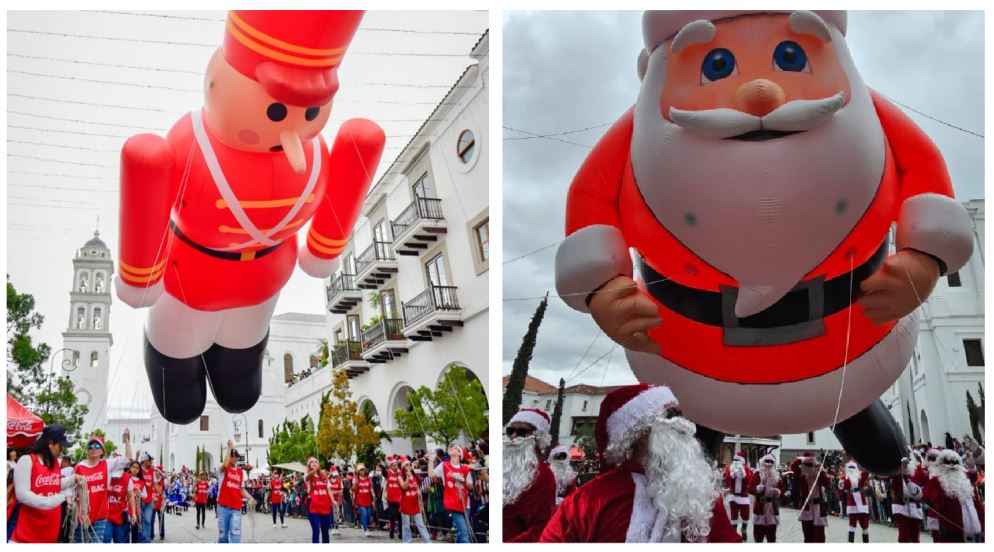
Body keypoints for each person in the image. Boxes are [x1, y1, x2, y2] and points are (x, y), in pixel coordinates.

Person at [539, 384, 740, 542]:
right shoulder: (591, 499)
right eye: (671, 416)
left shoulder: (700, 495)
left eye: (680, 415)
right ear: (641, 431)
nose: (683, 424)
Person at [10, 425, 85, 543]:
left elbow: (54, 484)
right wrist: (54, 500)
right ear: (50, 443)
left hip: (50, 532)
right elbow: (22, 494)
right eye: (60, 446)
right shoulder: (27, 460)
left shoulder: (54, 462)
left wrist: (72, 479)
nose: (62, 450)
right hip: (27, 536)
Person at [502, 407, 557, 541]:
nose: (513, 436)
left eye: (521, 432)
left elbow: (541, 526)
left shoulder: (543, 476)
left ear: (536, 436)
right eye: (510, 431)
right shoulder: (503, 465)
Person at [73, 430, 133, 543]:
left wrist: (127, 441)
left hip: (100, 517)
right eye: (91, 445)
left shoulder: (107, 464)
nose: (93, 448)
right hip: (82, 516)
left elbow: (128, 459)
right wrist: (79, 513)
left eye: (97, 446)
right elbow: (74, 494)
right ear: (87, 449)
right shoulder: (79, 467)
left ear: (102, 451)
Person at [923, 449, 984, 542]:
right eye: (948, 462)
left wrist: (972, 466)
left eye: (955, 462)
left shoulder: (964, 478)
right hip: (953, 535)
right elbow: (928, 497)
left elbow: (972, 475)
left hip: (978, 533)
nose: (951, 465)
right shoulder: (936, 481)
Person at [432, 445, 475, 543]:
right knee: (464, 531)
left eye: (456, 448)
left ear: (460, 454)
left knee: (462, 532)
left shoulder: (464, 468)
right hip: (453, 503)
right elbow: (431, 474)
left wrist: (463, 480)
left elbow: (471, 486)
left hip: (465, 504)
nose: (453, 448)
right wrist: (431, 460)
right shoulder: (444, 465)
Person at [216, 440, 256, 543]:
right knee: (223, 536)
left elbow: (241, 489)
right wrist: (229, 448)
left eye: (236, 456)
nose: (234, 458)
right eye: (232, 456)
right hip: (223, 506)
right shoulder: (222, 468)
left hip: (236, 507)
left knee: (235, 534)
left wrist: (250, 498)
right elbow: (225, 465)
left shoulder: (240, 472)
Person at [790, 452, 831, 542]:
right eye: (807, 464)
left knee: (820, 537)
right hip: (806, 507)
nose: (809, 466)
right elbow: (793, 466)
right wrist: (801, 459)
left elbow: (827, 483)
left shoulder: (818, 472)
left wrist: (820, 471)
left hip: (818, 507)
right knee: (808, 536)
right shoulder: (800, 472)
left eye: (810, 464)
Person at [748, 454, 783, 542]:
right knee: (758, 536)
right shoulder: (757, 474)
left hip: (772, 508)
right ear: (763, 462)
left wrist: (777, 492)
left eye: (771, 462)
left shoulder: (777, 476)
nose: (769, 464)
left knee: (771, 537)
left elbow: (782, 491)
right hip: (759, 508)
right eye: (767, 461)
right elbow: (749, 488)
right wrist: (757, 488)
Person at [889, 457, 924, 542]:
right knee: (904, 537)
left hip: (915, 506)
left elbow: (925, 487)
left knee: (915, 538)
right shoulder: (896, 470)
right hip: (900, 506)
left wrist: (918, 493)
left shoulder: (919, 470)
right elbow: (883, 475)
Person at [107, 457, 138, 543]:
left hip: (120, 515)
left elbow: (131, 496)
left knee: (120, 540)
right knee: (105, 538)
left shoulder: (127, 479)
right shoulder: (106, 476)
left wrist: (134, 513)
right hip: (106, 515)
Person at [399, 460, 431, 543]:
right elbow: (404, 487)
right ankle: (407, 542)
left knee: (420, 524)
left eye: (409, 465)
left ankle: (428, 542)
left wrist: (419, 492)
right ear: (403, 467)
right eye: (406, 465)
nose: (409, 466)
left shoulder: (415, 476)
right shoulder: (400, 477)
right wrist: (408, 477)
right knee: (406, 525)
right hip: (405, 503)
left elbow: (417, 487)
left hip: (415, 503)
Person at [303, 456, 333, 543]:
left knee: (325, 531)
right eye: (311, 462)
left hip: (325, 506)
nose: (314, 463)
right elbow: (308, 476)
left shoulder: (324, 476)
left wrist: (333, 501)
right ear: (309, 466)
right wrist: (314, 471)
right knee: (316, 530)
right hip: (313, 507)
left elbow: (329, 489)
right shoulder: (307, 475)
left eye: (316, 462)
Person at [723, 451, 752, 541]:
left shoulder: (746, 469)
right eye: (734, 460)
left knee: (746, 515)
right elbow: (727, 481)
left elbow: (748, 481)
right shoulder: (729, 468)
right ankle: (734, 532)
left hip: (743, 496)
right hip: (733, 496)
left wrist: (743, 474)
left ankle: (744, 529)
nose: (735, 461)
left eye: (737, 460)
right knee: (734, 516)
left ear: (742, 461)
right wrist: (732, 474)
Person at [840, 461, 871, 543]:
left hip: (861, 499)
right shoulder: (845, 478)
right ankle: (851, 542)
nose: (851, 470)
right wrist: (841, 481)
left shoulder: (860, 476)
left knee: (864, 522)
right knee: (852, 522)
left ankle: (866, 542)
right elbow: (841, 487)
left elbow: (866, 473)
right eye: (849, 468)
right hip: (852, 500)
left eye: (853, 467)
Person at [384, 456, 403, 539]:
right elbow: (383, 472)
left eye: (396, 465)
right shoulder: (388, 473)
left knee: (399, 516)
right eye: (393, 465)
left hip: (399, 499)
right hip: (390, 498)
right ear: (391, 466)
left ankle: (401, 533)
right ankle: (391, 530)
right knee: (392, 515)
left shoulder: (401, 473)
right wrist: (383, 464)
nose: (395, 467)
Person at [353, 464, 374, 536]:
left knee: (368, 515)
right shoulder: (356, 479)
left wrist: (373, 496)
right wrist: (356, 483)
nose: (362, 471)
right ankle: (365, 529)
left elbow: (370, 488)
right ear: (358, 471)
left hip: (367, 499)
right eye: (361, 470)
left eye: (363, 470)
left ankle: (364, 524)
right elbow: (353, 490)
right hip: (360, 500)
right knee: (364, 514)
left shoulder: (368, 479)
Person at [328, 466, 343, 536]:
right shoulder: (328, 480)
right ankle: (333, 528)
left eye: (336, 474)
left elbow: (341, 490)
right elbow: (327, 490)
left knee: (337, 514)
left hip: (336, 500)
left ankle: (337, 528)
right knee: (331, 514)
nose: (335, 475)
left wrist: (336, 493)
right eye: (333, 473)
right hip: (329, 500)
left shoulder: (339, 480)